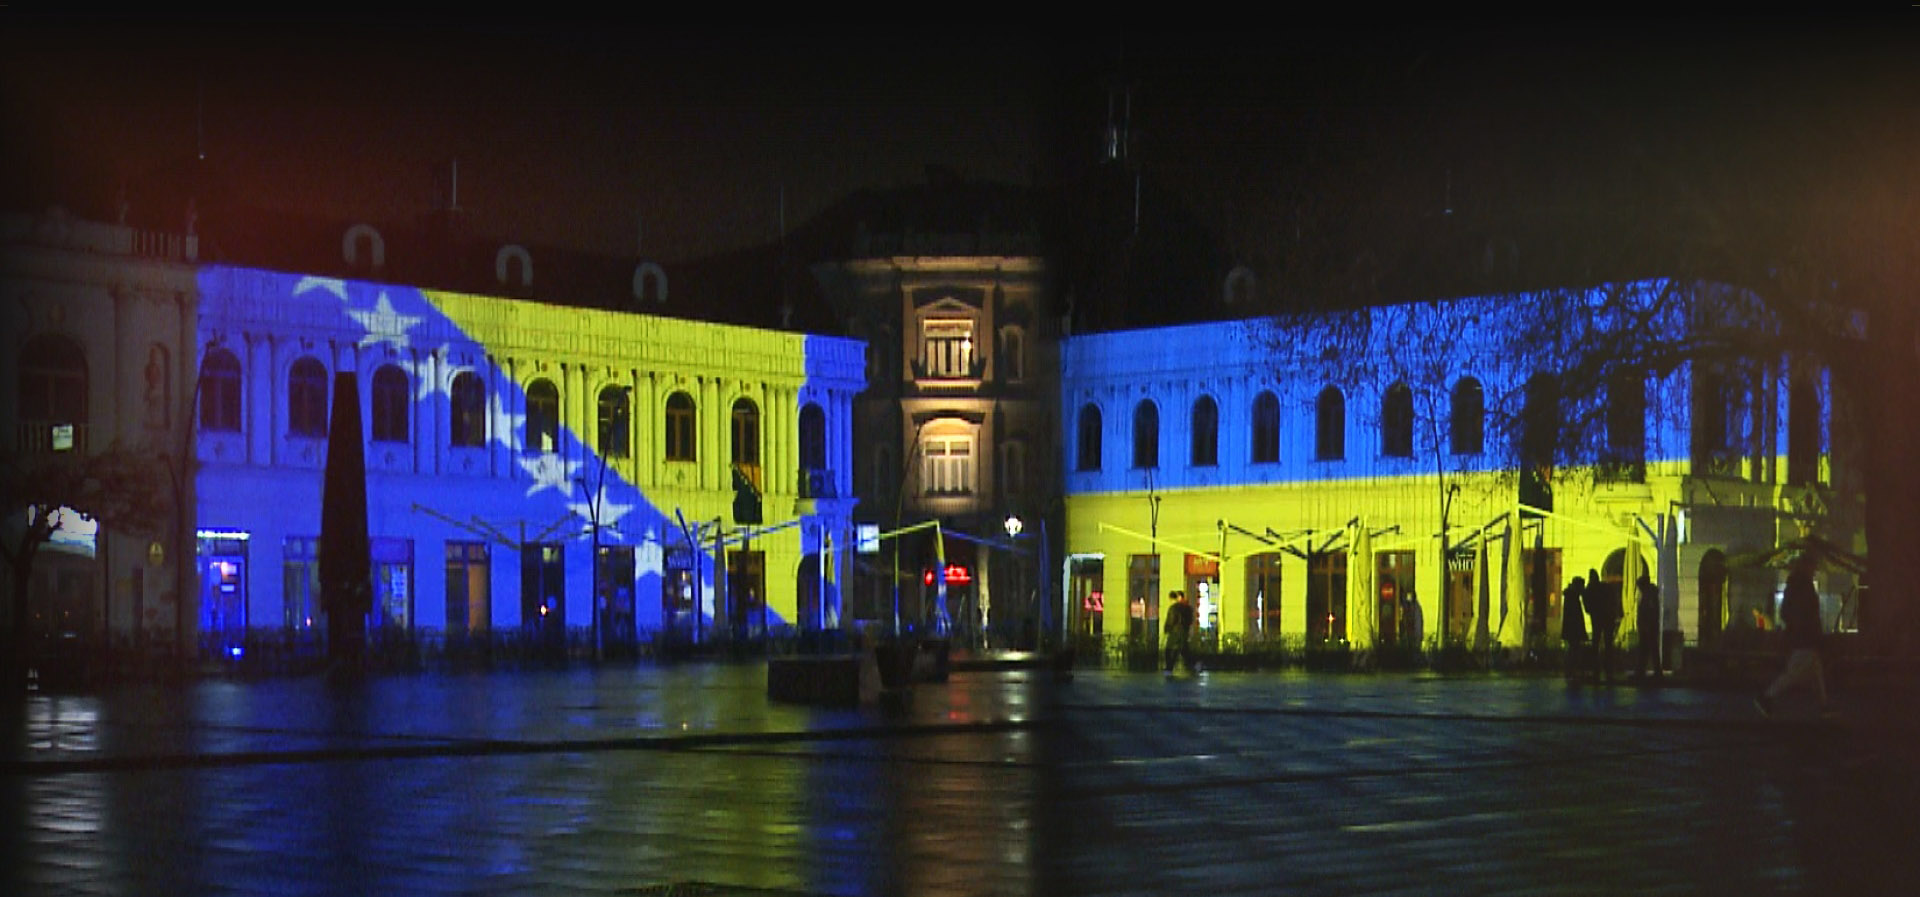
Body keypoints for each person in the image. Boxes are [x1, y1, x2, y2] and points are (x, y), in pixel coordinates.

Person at [1757, 554, 1829, 717]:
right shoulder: (1804, 587)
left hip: (1800, 636)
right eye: (1813, 566)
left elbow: (1787, 612)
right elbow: (1809, 614)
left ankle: (1824, 705)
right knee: (1794, 673)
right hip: (1805, 637)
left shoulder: (1795, 585)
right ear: (1807, 567)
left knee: (1815, 672)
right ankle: (1766, 697)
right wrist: (1811, 631)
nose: (1814, 570)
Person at [1585, 567, 1622, 684]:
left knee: (1596, 644)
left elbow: (1587, 606)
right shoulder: (1605, 587)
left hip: (1598, 619)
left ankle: (1596, 670)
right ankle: (1608, 671)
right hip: (1607, 619)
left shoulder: (1591, 588)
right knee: (1608, 645)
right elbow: (1613, 601)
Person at [1633, 573, 1664, 680]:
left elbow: (1648, 612)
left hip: (1648, 627)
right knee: (1648, 650)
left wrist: (1645, 625)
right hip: (1649, 626)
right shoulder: (1650, 595)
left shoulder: (1649, 596)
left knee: (1646, 650)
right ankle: (1646, 671)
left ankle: (1643, 672)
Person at [1561, 576, 1588, 683]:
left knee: (1573, 650)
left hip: (1571, 629)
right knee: (1574, 650)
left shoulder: (1571, 597)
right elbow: (1575, 616)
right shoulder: (1572, 598)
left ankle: (1570, 671)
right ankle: (1571, 671)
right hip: (1573, 630)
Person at [1163, 589, 1196, 675]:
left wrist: (1166, 629)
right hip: (1184, 632)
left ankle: (1169, 668)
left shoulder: (1174, 608)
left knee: (1169, 650)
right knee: (1183, 650)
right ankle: (1193, 665)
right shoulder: (1188, 608)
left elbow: (1171, 620)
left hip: (1174, 631)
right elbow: (1190, 621)